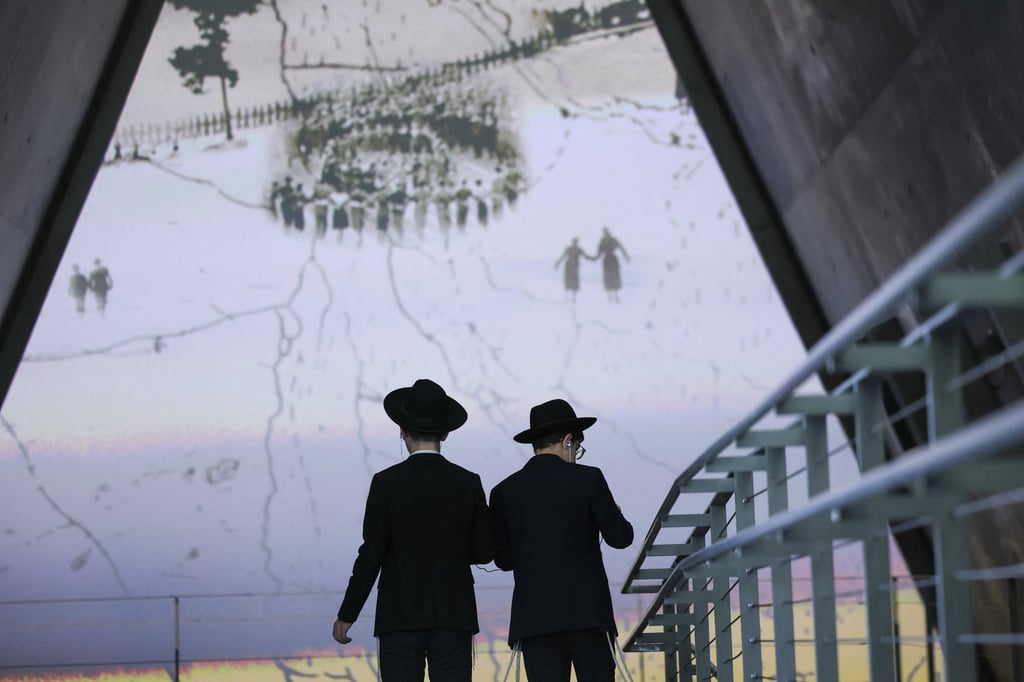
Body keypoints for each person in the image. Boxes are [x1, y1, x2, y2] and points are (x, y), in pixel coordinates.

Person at [333, 379, 493, 682]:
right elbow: (484, 552)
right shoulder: (468, 482)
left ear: (402, 431)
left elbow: (371, 554)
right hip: (454, 614)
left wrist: (348, 613)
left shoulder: (385, 483)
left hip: (399, 616)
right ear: (445, 433)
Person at [489, 399, 633, 682]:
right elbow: (621, 538)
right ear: (568, 440)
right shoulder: (589, 478)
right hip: (588, 616)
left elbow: (504, 560)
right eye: (578, 447)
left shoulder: (504, 491)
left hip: (535, 621)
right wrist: (615, 514)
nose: (577, 453)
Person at [592, 227, 630, 303]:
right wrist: (626, 257)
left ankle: (612, 295)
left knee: (609, 276)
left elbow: (599, 253)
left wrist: (594, 259)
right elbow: (622, 248)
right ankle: (614, 295)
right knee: (613, 275)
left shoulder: (603, 241)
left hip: (607, 259)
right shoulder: (612, 240)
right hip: (612, 259)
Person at [554, 238, 589, 302]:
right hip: (570, 266)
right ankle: (568, 297)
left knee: (573, 281)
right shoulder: (572, 249)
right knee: (569, 281)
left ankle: (572, 297)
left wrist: (557, 263)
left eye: (576, 242)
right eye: (575, 242)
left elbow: (586, 256)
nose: (575, 243)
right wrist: (557, 263)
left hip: (573, 266)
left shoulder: (578, 249)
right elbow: (563, 256)